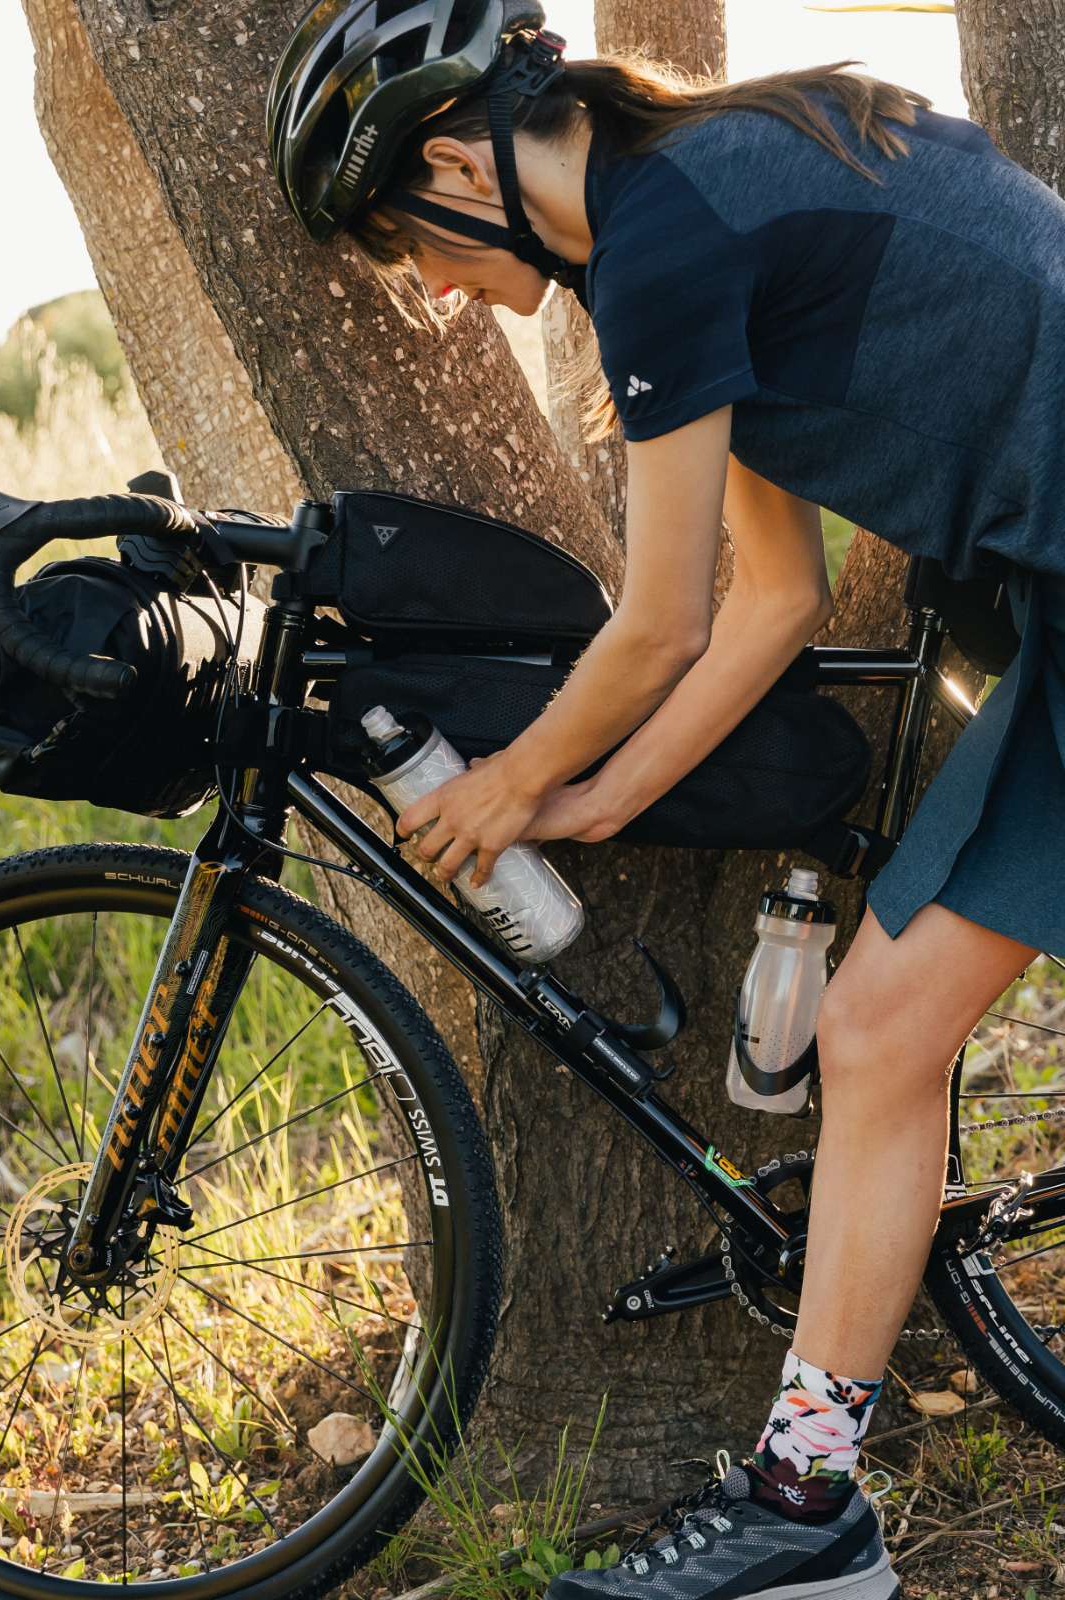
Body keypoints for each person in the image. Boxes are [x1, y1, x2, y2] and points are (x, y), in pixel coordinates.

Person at [273, 4, 1065, 1596]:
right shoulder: (709, 179)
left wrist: (511, 781)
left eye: (403, 243)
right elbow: (772, 595)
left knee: (879, 1032)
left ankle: (805, 1516)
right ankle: (808, 1508)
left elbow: (660, 623)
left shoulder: (666, 240)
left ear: (454, 158)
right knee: (883, 1030)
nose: (430, 289)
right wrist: (608, 794)